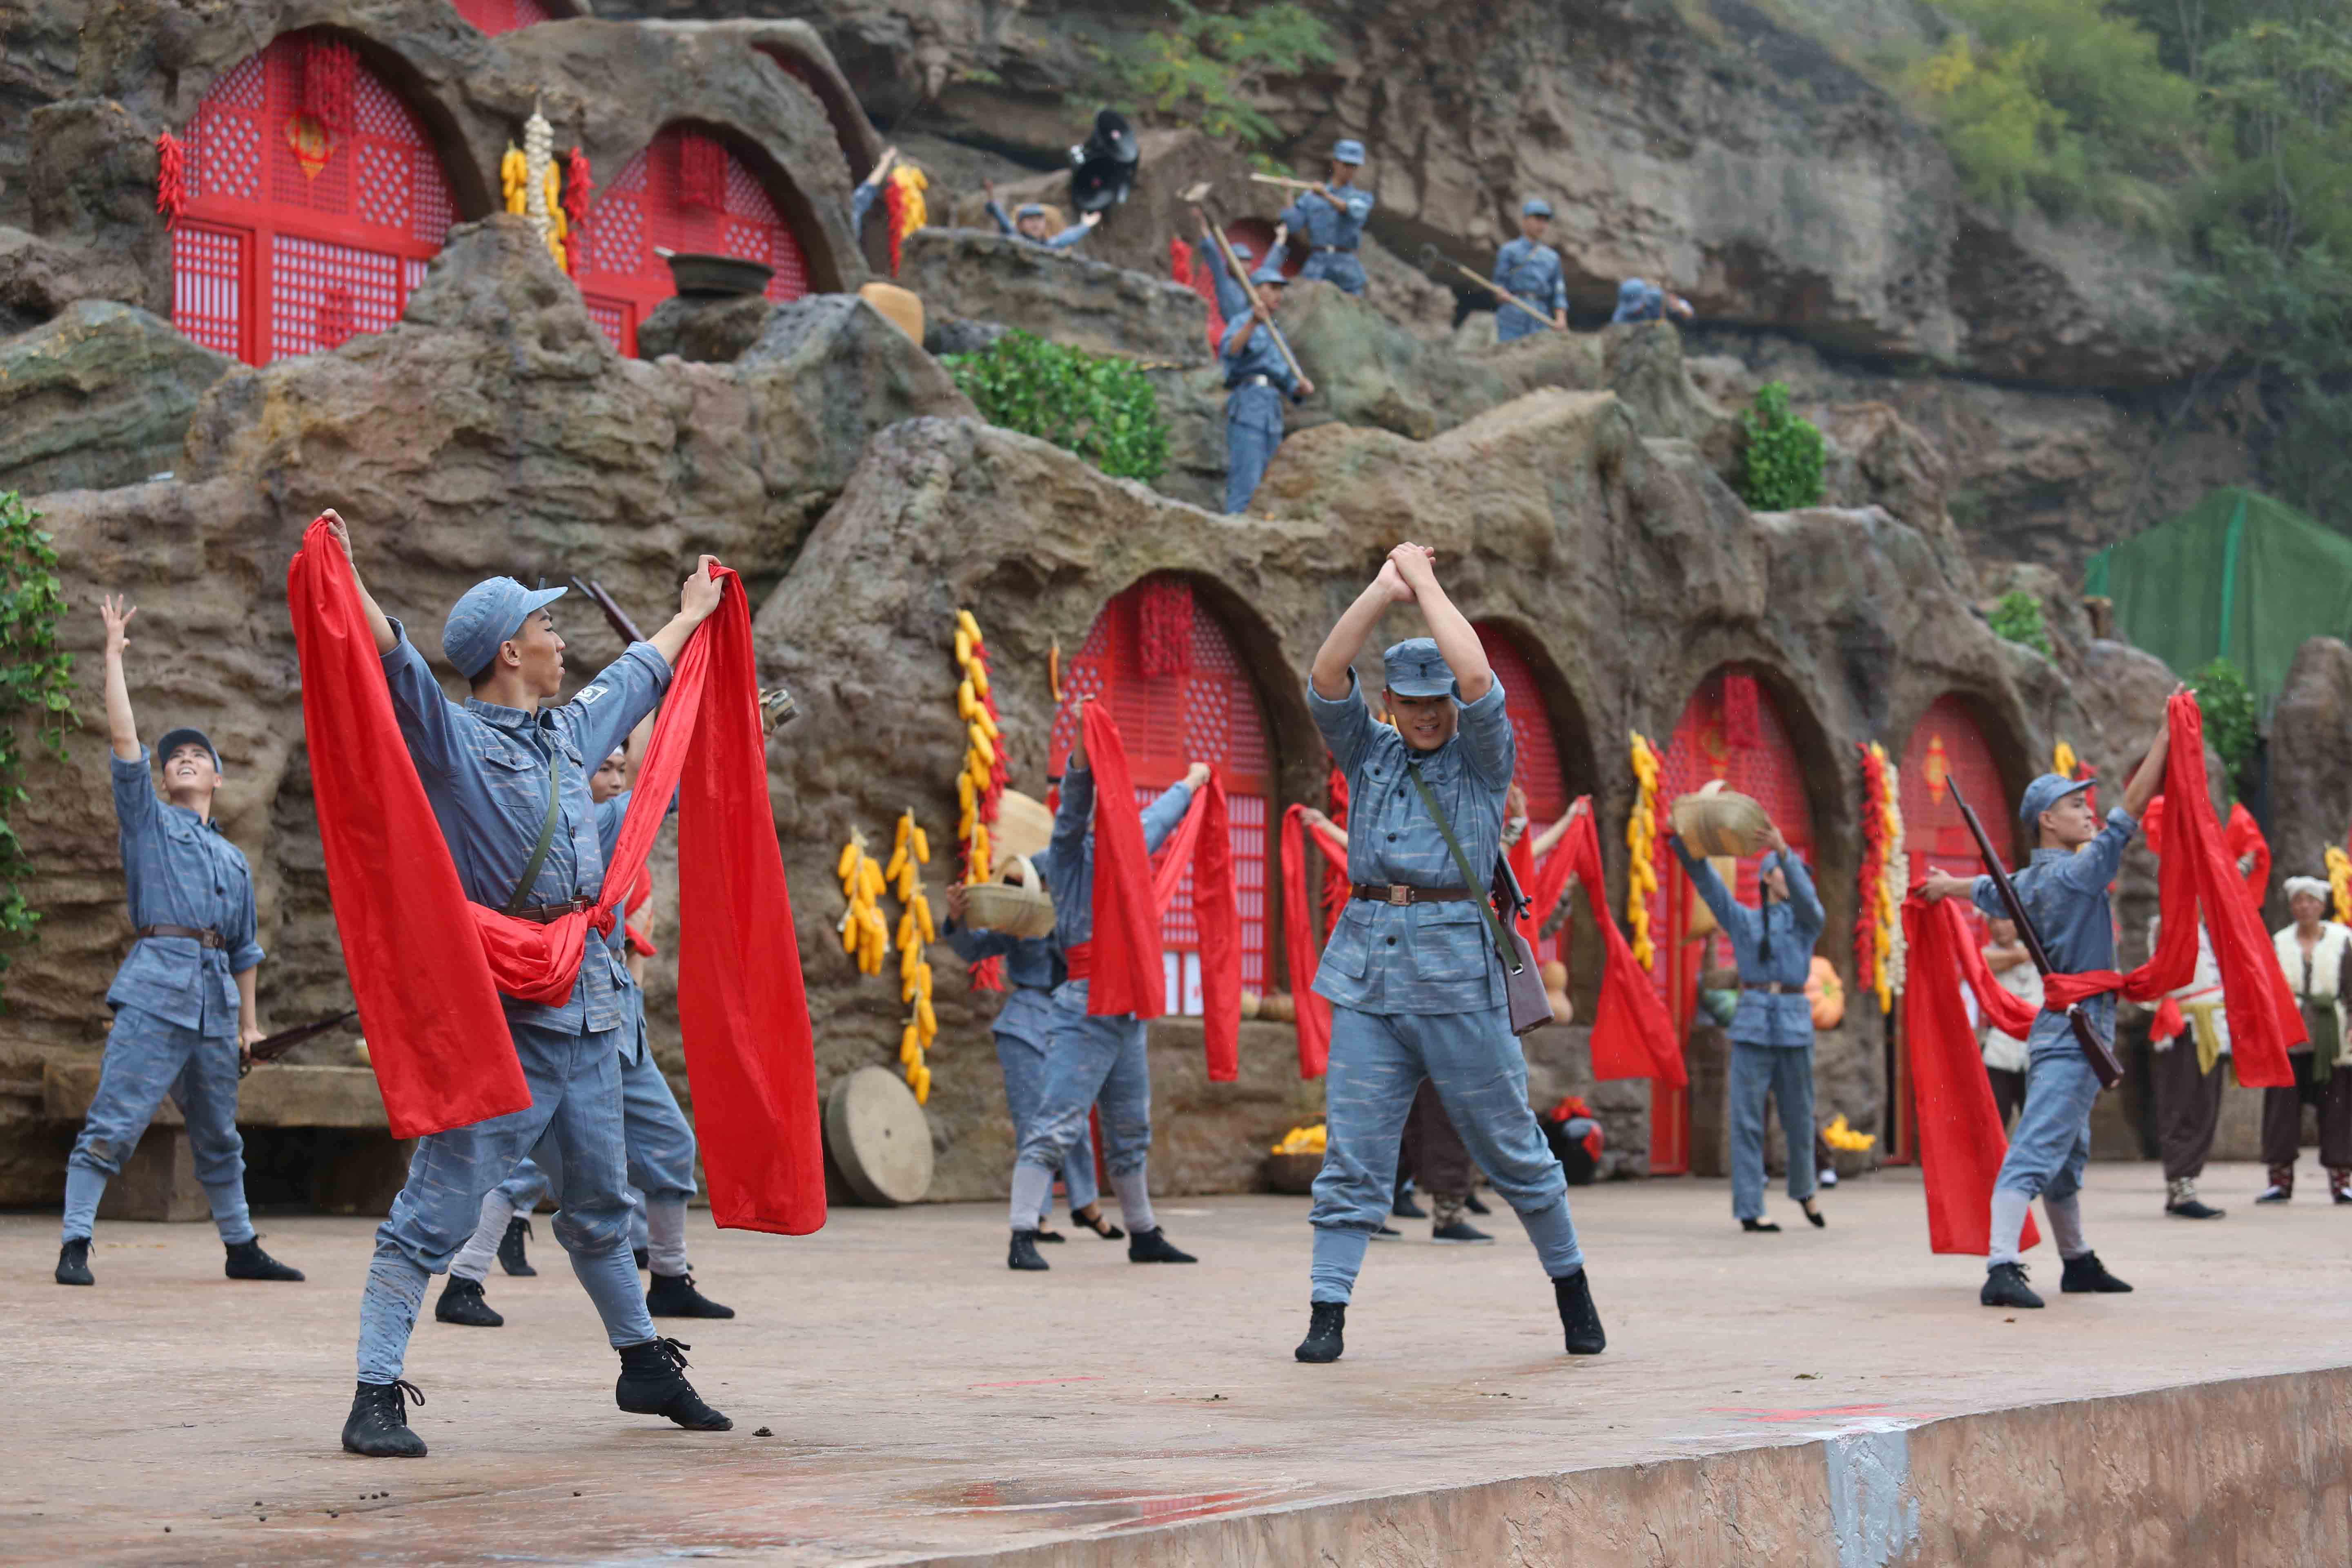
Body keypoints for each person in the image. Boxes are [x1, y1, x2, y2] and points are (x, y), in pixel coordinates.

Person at [325, 510, 732, 1457]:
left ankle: (641, 1363)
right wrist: (346, 573)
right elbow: (397, 667)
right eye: (547, 625)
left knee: (600, 1209)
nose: (561, 638)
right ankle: (374, 1392)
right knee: (432, 1212)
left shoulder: (568, 735)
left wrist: (692, 613)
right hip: (501, 1020)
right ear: (510, 652)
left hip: (589, 1014)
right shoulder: (455, 743)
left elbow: (636, 676)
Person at [1294, 544, 1603, 1364]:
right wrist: (1381, 588)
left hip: (1458, 976)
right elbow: (1325, 675)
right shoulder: (1368, 751)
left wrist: (1425, 584)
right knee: (1352, 1153)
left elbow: (1478, 680)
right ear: (1390, 703)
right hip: (1367, 974)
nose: (1429, 714)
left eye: (1438, 703)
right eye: (1413, 702)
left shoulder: (1482, 758)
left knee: (1511, 1147)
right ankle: (1328, 1309)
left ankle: (1572, 1287)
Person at [435, 735, 735, 1328]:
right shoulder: (586, 826)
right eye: (606, 768)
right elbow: (661, 792)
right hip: (565, 1018)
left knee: (668, 1142)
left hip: (615, 1017)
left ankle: (669, 1276)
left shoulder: (611, 837)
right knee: (523, 1157)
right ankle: (464, 1278)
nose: (617, 779)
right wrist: (719, 738)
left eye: (622, 769)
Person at [53, 595, 301, 1289]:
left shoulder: (234, 862)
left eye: (199, 756)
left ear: (218, 778)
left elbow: (245, 950)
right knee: (116, 1118)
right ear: (163, 779)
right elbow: (124, 741)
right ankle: (75, 1241)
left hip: (216, 1009)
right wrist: (112, 657)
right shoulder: (149, 823)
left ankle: (241, 1247)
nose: (184, 760)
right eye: (175, 757)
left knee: (219, 1134)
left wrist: (250, 1026)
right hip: (156, 991)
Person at [1920, 715, 2172, 1310]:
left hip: (2065, 1029)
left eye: (2087, 803)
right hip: (2074, 1032)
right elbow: (2130, 811)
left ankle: (2077, 1261)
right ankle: (2001, 1266)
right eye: (2075, 805)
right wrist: (2165, 736)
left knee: (2064, 1156)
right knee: (2036, 1151)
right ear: (2047, 821)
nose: (2089, 812)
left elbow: (1987, 888)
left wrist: (1948, 886)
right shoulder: (2080, 875)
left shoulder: (2025, 883)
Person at [1004, 721, 1207, 1271]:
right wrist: (1081, 750)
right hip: (1084, 1003)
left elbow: (1158, 819)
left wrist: (1192, 782)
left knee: (1130, 1126)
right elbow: (1073, 811)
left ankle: (1143, 1232)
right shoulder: (1068, 856)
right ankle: (1022, 1231)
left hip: (1128, 1007)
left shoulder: (1130, 850)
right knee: (1058, 1120)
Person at [1297, 806, 1496, 1245]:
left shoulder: (1467, 825)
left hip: (1444, 985)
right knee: (1405, 1109)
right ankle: (1388, 1209)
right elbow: (1367, 857)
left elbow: (1504, 854)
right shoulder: (1405, 828)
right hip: (1401, 988)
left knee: (1433, 1108)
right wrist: (1325, 828)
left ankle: (1417, 1207)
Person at [943, 859, 1124, 1243]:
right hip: (1025, 1024)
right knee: (1033, 1122)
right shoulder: (1022, 920)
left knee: (1073, 1115)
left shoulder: (1081, 915)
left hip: (1070, 1022)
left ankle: (1086, 1203)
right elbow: (974, 948)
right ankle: (1037, 1215)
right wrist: (957, 919)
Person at [1668, 824, 1827, 1232]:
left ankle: (1805, 1190)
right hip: (1753, 1023)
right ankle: (1751, 1208)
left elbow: (1810, 902)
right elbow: (1711, 887)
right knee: (1746, 1120)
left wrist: (1785, 852)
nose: (1796, 880)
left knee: (1799, 1117)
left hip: (1793, 1023)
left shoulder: (1806, 923)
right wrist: (1686, 842)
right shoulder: (1744, 921)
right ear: (1767, 877)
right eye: (1786, 872)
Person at [2260, 877, 2352, 1203]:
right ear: (2292, 906)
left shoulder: (2343, 940)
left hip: (2332, 1037)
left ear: (2322, 905)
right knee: (2281, 1111)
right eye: (2299, 901)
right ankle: (2280, 1181)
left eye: (2311, 901)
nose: (2305, 907)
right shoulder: (2280, 941)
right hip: (2290, 1036)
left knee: (2338, 1109)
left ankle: (2342, 1181)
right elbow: (2268, 989)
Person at [2147, 916, 2227, 1219]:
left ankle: (2183, 1183)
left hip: (2215, 1026)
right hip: (2184, 1026)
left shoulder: (2214, 928)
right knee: (2183, 1106)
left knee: (2206, 1107)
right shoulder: (2168, 924)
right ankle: (2181, 1186)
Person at [1220, 261, 1314, 516]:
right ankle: (1236, 525)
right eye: (1272, 288)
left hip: (1272, 410)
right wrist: (1252, 322)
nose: (1278, 295)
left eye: (1280, 289)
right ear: (1256, 290)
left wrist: (1299, 387)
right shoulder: (1242, 321)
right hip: (1249, 404)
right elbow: (1230, 351)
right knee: (1246, 478)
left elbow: (1285, 376)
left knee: (1269, 480)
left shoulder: (1276, 332)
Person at [1276, 139, 1374, 295]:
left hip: (1346, 266)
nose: (1350, 170)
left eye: (1354, 166)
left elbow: (1353, 210)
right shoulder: (1311, 197)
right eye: (1346, 164)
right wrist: (1288, 193)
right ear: (1335, 163)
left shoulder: (1362, 198)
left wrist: (1326, 195)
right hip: (1318, 264)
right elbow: (1293, 224)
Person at [1980, 916, 2036, 1129]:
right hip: (1999, 1052)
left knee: (2036, 1122)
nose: (1999, 927)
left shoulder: (2038, 949)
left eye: (2005, 920)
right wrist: (2023, 955)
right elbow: (1983, 962)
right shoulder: (1986, 954)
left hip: (2035, 1051)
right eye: (1993, 922)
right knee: (1995, 1121)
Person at [1491, 197, 1568, 342]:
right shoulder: (1509, 251)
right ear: (1525, 220)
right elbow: (1498, 284)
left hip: (1541, 315)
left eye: (1545, 220)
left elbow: (1559, 292)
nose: (1542, 225)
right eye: (1538, 219)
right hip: (1513, 312)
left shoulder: (1552, 258)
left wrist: (1561, 319)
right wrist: (1501, 294)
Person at [983, 180, 1099, 251]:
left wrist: (1085, 225)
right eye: (1030, 219)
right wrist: (992, 202)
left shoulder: (1048, 245)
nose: (1035, 223)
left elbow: (1066, 238)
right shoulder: (1014, 237)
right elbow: (1003, 220)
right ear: (1020, 225)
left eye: (1039, 219)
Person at [849, 145, 899, 241]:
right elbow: (867, 189)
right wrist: (886, 160)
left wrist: (886, 161)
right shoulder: (851, 210)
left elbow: (867, 189)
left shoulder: (852, 209)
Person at [1610, 278, 1693, 324]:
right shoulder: (1621, 316)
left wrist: (1681, 309)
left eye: (1638, 305)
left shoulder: (1657, 297)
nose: (1637, 309)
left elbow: (1688, 312)